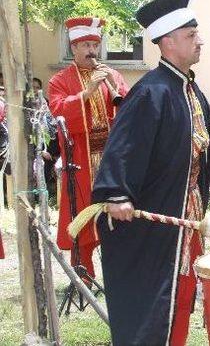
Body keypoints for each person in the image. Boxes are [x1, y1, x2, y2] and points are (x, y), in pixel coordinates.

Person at [92, 0, 210, 345]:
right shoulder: (151, 93)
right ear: (168, 43)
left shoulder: (189, 90)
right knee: (153, 306)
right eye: (191, 36)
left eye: (197, 34)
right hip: (150, 227)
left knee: (179, 300)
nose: (200, 41)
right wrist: (116, 193)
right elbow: (122, 147)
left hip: (184, 224)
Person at [48, 17, 129, 279]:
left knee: (115, 216)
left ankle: (119, 274)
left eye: (95, 44)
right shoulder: (59, 80)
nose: (91, 50)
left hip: (110, 159)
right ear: (73, 48)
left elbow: (130, 112)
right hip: (81, 160)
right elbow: (58, 111)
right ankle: (84, 275)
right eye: (85, 44)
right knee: (81, 213)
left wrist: (115, 90)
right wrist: (87, 92)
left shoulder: (113, 75)